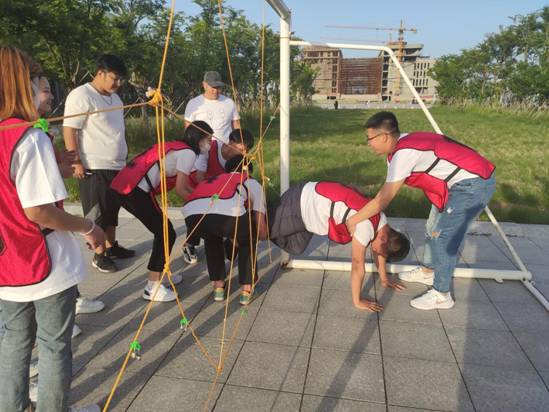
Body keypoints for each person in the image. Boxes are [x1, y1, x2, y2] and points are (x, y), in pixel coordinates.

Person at [0, 46, 103, 412]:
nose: (44, 86)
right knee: (54, 345)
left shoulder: (12, 135)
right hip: (41, 263)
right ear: (22, 85)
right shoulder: (29, 137)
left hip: (7, 262)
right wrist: (89, 227)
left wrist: (54, 165)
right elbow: (39, 211)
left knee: (13, 342)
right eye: (37, 79)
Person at [346, 111, 496, 310]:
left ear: (384, 137)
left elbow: (383, 199)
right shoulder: (401, 145)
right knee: (432, 227)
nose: (368, 143)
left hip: (473, 184)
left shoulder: (405, 153)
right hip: (455, 184)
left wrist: (353, 219)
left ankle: (442, 294)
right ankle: (427, 271)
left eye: (370, 138)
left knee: (443, 238)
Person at [110, 121, 213, 302]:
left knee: (164, 231)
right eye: (208, 139)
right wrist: (202, 206)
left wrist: (200, 198)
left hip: (124, 185)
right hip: (134, 191)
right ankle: (152, 286)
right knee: (166, 233)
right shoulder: (188, 153)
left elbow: (185, 187)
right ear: (199, 139)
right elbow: (181, 189)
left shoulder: (177, 146)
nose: (210, 144)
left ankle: (162, 274)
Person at [270, 181, 410, 312]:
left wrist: (384, 279)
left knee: (295, 247)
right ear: (384, 238)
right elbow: (357, 264)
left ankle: (266, 216)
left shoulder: (381, 219)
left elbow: (380, 251)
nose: (375, 251)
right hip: (299, 204)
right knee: (263, 231)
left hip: (307, 209)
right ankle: (259, 215)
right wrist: (357, 301)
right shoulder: (365, 226)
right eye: (379, 251)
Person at [33, 68, 105, 321]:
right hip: (39, 227)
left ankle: (69, 303)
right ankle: (60, 316)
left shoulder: (38, 130)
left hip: (47, 221)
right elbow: (36, 206)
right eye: (46, 90)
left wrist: (59, 161)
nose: (52, 96)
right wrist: (87, 227)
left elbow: (42, 173)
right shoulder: (29, 136)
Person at [63, 54, 135, 273]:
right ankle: (99, 254)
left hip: (116, 164)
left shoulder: (116, 100)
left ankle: (112, 247)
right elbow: (70, 130)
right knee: (97, 212)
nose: (118, 83)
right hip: (94, 164)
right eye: (114, 78)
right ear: (100, 73)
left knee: (112, 210)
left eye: (121, 79)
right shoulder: (82, 95)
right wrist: (76, 161)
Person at [182, 155, 268, 305]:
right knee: (247, 239)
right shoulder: (250, 181)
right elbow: (259, 219)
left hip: (192, 217)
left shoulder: (214, 179)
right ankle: (247, 290)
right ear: (248, 171)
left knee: (211, 239)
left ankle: (218, 287)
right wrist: (262, 235)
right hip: (226, 217)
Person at [183, 128, 255, 264]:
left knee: (221, 213)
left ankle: (228, 244)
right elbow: (199, 177)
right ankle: (189, 243)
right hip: (197, 185)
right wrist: (211, 197)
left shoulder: (237, 161)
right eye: (242, 149)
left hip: (217, 190)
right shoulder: (210, 149)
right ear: (231, 143)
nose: (244, 153)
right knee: (201, 210)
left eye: (246, 151)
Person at [184, 71, 240, 144]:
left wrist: (239, 143)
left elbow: (236, 126)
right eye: (213, 87)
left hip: (226, 149)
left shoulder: (229, 102)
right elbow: (188, 129)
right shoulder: (193, 103)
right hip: (203, 149)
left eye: (218, 87)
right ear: (204, 85)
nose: (215, 91)